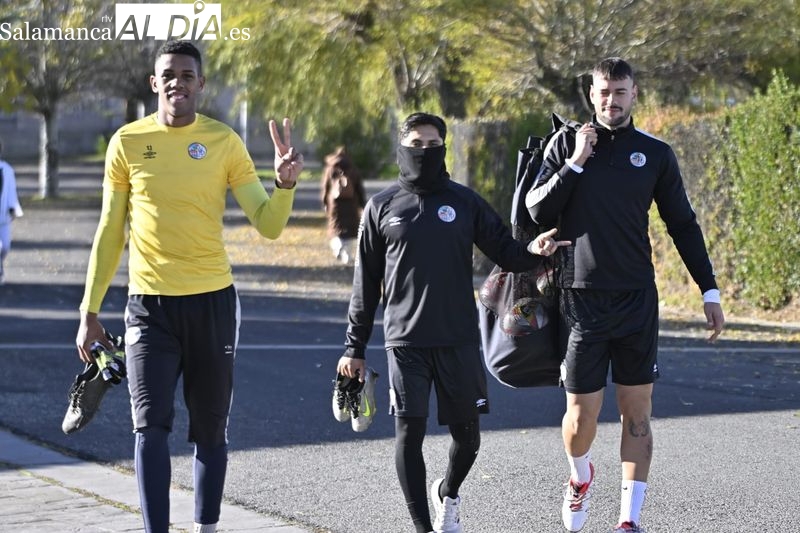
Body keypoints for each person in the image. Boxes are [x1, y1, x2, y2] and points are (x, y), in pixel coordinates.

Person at [73, 40, 303, 533]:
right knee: (149, 429)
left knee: (210, 431)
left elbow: (267, 225)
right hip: (148, 309)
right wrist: (89, 312)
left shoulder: (223, 142)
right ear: (155, 83)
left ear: (201, 84)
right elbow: (111, 231)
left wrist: (284, 186)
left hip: (212, 303)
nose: (177, 81)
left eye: (186, 74)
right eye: (168, 74)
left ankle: (207, 527)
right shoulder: (127, 143)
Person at [336, 112, 570, 533]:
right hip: (405, 341)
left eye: (432, 144)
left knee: (468, 438)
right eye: (416, 144)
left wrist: (536, 249)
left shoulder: (464, 202)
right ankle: (424, 528)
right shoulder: (381, 207)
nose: (424, 151)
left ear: (444, 148)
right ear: (402, 147)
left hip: (458, 337)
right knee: (409, 434)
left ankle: (448, 492)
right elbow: (364, 286)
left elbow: (507, 251)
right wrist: (354, 347)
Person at [526, 57, 725, 533]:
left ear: (635, 94)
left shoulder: (654, 153)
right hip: (580, 297)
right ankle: (580, 477)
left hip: (636, 299)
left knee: (638, 412)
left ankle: (628, 521)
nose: (611, 101)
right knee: (580, 417)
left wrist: (709, 289)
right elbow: (537, 211)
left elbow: (683, 224)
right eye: (602, 93)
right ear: (590, 96)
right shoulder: (566, 145)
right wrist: (575, 161)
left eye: (619, 92)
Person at [320, 145, 366, 264]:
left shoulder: (330, 169)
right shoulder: (353, 169)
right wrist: (362, 204)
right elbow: (359, 189)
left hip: (335, 205)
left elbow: (326, 187)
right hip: (351, 204)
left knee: (336, 227)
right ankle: (347, 254)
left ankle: (338, 247)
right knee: (350, 230)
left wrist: (325, 202)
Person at [0, 139, 23, 285]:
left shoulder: (7, 169)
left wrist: (14, 208)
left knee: (5, 246)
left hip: (3, 216)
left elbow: (11, 191)